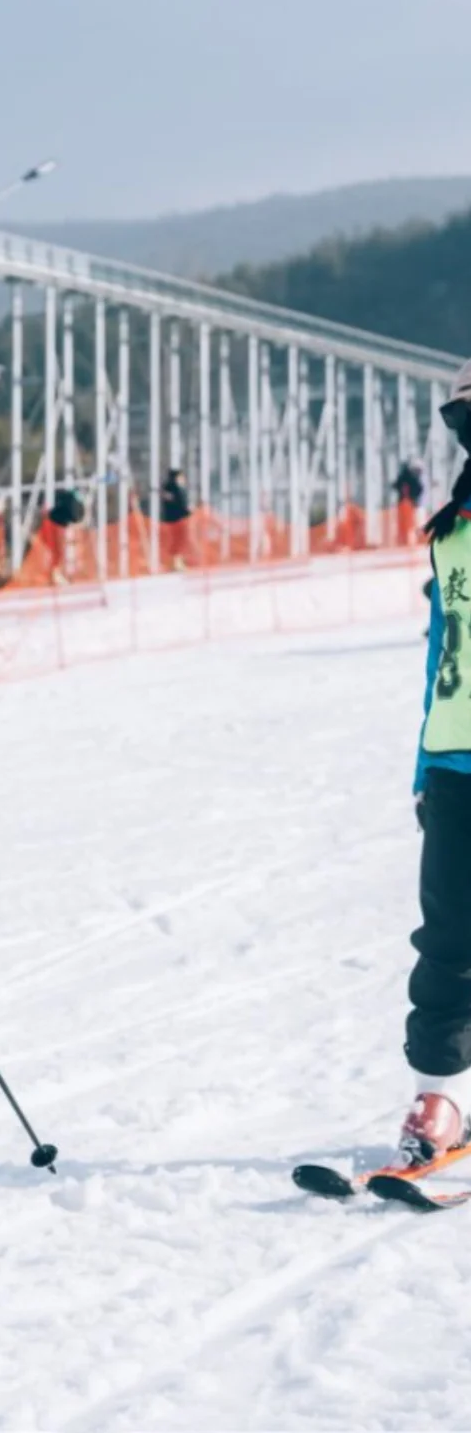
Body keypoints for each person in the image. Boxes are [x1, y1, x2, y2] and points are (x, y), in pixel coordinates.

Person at [401, 357, 471, 1166]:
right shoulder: (451, 530)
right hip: (456, 762)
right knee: (450, 937)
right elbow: (440, 652)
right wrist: (424, 764)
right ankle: (442, 1098)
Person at [160, 470, 191, 571]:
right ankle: (175, 563)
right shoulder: (174, 488)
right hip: (177, 519)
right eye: (181, 477)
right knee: (177, 541)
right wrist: (187, 512)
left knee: (177, 541)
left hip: (174, 519)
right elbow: (179, 504)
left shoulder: (172, 488)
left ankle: (177, 562)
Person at [394, 460, 425, 548]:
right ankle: (411, 542)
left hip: (411, 504)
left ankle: (411, 542)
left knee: (411, 525)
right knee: (411, 525)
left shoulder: (410, 479)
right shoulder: (414, 479)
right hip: (413, 504)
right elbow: (419, 489)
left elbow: (397, 486)